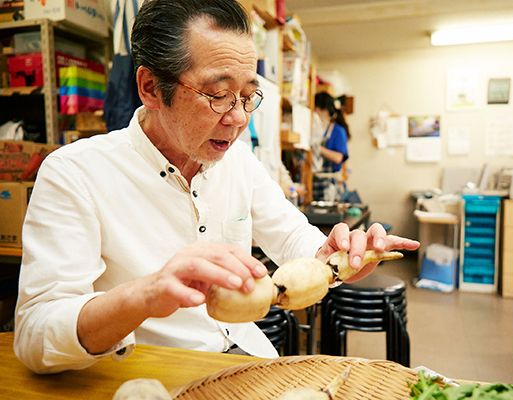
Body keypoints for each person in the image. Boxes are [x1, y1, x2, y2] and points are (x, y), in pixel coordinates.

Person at [13, 0, 419, 374]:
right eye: (220, 95)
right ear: (151, 88)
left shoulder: (238, 160)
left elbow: (292, 235)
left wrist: (332, 256)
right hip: (154, 375)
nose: (239, 118)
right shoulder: (75, 173)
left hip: (245, 360)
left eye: (248, 96)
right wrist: (145, 296)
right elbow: (34, 335)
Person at [313, 92, 350, 201]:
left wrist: (318, 149)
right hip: (314, 183)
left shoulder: (338, 130)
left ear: (321, 109)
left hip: (330, 186)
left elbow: (338, 158)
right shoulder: (314, 130)